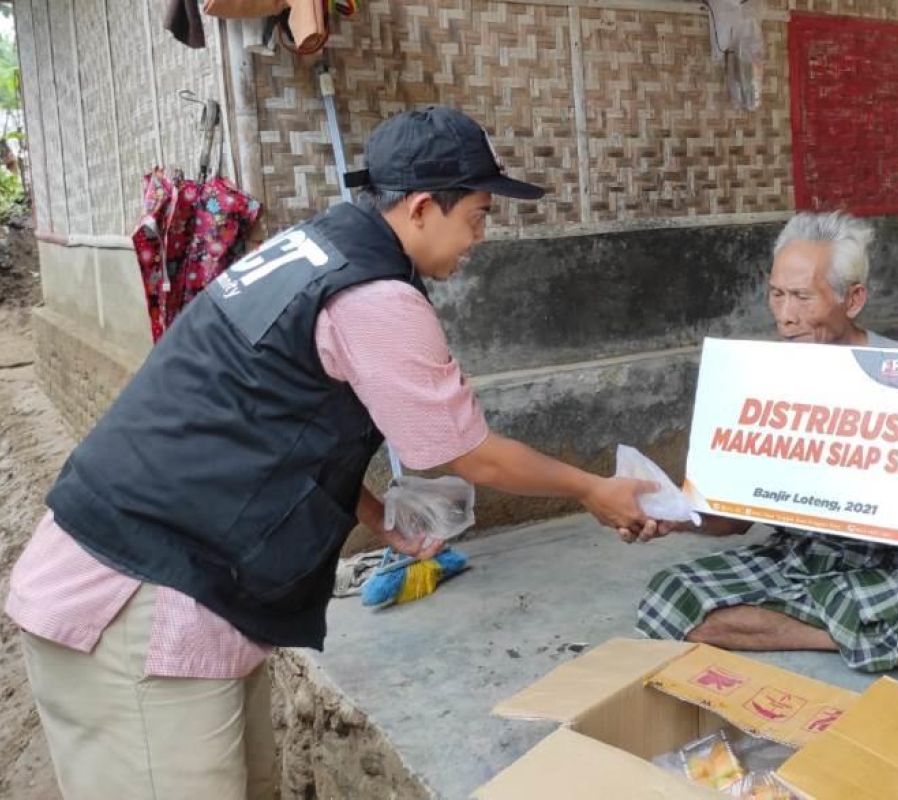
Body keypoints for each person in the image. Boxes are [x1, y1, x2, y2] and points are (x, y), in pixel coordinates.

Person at [5, 106, 657, 800]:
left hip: (168, 579)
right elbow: (472, 456)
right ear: (419, 207)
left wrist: (376, 516)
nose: (480, 236)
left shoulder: (312, 250)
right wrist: (594, 489)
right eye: (476, 214)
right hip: (137, 599)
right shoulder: (374, 297)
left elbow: (275, 418)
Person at [634, 211, 898, 700]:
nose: (785, 315)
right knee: (667, 599)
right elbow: (734, 519)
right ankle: (888, 644)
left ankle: (839, 627)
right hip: (794, 559)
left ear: (853, 299)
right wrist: (674, 515)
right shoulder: (758, 376)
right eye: (776, 294)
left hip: (891, 567)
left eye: (803, 297)